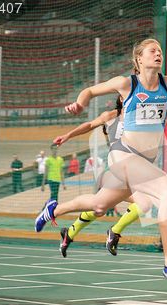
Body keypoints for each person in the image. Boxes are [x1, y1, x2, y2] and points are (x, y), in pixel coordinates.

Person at [35, 38, 167, 283]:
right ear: (139, 59)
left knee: (98, 205)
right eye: (152, 51)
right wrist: (80, 103)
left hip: (144, 163)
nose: (158, 54)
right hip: (123, 155)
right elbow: (91, 90)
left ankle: (54, 209)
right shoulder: (127, 83)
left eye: (160, 51)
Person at [52, 95, 142, 258]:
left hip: (130, 173)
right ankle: (113, 232)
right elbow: (89, 124)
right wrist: (68, 135)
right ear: (121, 99)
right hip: (114, 171)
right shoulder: (111, 116)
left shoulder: (138, 118)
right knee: (141, 203)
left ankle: (70, 233)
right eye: (127, 95)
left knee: (101, 208)